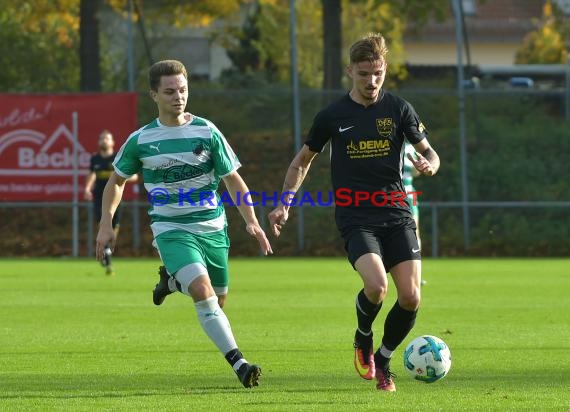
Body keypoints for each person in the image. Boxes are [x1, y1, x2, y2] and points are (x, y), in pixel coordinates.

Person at [268, 33, 440, 392]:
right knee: (376, 286)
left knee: (410, 296)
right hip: (356, 215)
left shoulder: (399, 109)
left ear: (385, 69)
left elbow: (431, 153)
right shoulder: (332, 116)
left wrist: (430, 164)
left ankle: (384, 359)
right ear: (350, 71)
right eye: (364, 74)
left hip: (397, 213)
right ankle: (363, 336)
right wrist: (285, 203)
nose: (372, 81)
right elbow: (302, 162)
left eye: (377, 72)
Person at [95, 59, 273, 389]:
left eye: (183, 90)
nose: (178, 96)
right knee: (204, 294)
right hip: (171, 230)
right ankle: (240, 363)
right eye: (170, 91)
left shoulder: (207, 131)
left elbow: (233, 180)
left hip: (213, 228)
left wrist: (251, 221)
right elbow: (115, 182)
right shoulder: (141, 140)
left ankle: (171, 283)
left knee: (218, 301)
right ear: (154, 95)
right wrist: (106, 223)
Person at [84, 130, 137, 275]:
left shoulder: (117, 158)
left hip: (114, 199)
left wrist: (119, 178)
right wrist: (87, 188)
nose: (104, 141)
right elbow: (92, 174)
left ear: (112, 142)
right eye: (101, 138)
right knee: (102, 223)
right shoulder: (95, 159)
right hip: (98, 199)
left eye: (107, 138)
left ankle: (107, 250)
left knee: (114, 228)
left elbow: (133, 176)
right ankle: (106, 252)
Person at [403, 142, 426, 285]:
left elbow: (416, 172)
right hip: (390, 196)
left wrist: (418, 167)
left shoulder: (411, 148)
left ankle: (417, 274)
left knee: (415, 234)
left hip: (410, 195)